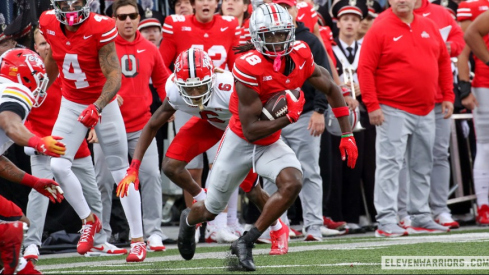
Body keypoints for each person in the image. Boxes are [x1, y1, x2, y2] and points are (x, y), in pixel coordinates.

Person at [177, 3, 358, 271]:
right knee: (210, 209)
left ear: (291, 31)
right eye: (269, 35)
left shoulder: (301, 54)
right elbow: (250, 129)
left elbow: (331, 87)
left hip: (269, 142)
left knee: (293, 182)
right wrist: (289, 118)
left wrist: (347, 133)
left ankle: (246, 241)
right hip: (239, 142)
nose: (276, 41)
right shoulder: (248, 66)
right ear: (256, 36)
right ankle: (188, 220)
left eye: (280, 34)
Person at [118, 48, 287, 251]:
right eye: (189, 89)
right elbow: (153, 124)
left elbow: (255, 116)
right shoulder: (173, 88)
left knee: (250, 187)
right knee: (171, 166)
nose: (195, 94)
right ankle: (203, 199)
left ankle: (278, 228)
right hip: (211, 123)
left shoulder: (228, 86)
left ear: (212, 77)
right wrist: (134, 167)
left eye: (200, 87)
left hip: (238, 128)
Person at [39, 0, 144, 260]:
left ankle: (138, 240)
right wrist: (41, 90)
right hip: (71, 102)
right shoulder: (48, 21)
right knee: (58, 166)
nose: (72, 8)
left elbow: (114, 75)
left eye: (77, 2)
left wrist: (97, 106)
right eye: (66, 2)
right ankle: (88, 219)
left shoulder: (102, 26)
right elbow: (54, 55)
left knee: (121, 170)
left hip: (103, 103)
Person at [22, 27, 127, 262]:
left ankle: (98, 241)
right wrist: (34, 142)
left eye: (50, 42)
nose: (47, 47)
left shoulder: (75, 71)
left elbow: (91, 100)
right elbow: (20, 114)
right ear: (35, 48)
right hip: (43, 144)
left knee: (93, 192)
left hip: (75, 144)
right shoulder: (30, 74)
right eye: (42, 44)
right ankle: (32, 244)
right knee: (39, 193)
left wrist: (104, 112)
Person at [358, 0, 454, 237]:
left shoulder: (429, 26)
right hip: (392, 108)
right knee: (390, 164)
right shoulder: (379, 27)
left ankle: (421, 216)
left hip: (426, 108)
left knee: (423, 164)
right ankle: (387, 220)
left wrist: (448, 95)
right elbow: (365, 67)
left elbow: (442, 61)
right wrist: (372, 104)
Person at [93, 0, 170, 257]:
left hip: (141, 126)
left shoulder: (149, 49)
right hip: (107, 126)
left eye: (132, 16)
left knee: (150, 176)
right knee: (101, 181)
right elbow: (91, 81)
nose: (127, 21)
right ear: (113, 19)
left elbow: (162, 81)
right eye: (122, 16)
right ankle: (100, 236)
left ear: (139, 18)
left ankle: (153, 232)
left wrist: (169, 107)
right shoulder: (104, 47)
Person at [261, 0, 341, 242]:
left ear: (296, 11)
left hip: (304, 114)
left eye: (288, 7)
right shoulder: (263, 39)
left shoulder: (310, 40)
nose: (284, 12)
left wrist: (319, 110)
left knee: (308, 171)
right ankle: (275, 228)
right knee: (269, 174)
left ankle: (313, 226)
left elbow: (325, 78)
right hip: (271, 115)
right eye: (279, 8)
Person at [396, 0, 464, 230]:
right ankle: (404, 212)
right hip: (403, 99)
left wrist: (447, 48)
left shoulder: (440, 13)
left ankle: (440, 209)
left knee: (438, 154)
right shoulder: (394, 14)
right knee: (404, 157)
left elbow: (459, 40)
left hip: (436, 98)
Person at [0, 48, 65, 275]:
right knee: (12, 224)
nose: (39, 85)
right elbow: (10, 124)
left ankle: (16, 267)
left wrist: (33, 181)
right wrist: (39, 142)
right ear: (22, 75)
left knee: (16, 219)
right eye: (38, 77)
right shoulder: (15, 90)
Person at [456, 0, 489, 226]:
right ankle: (484, 205)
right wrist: (465, 87)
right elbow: (464, 49)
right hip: (485, 83)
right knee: (486, 145)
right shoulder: (474, 5)